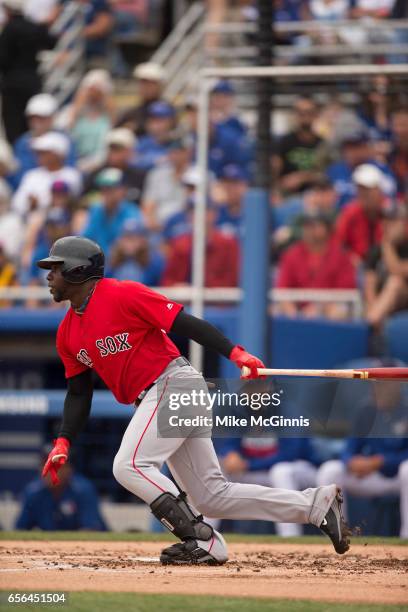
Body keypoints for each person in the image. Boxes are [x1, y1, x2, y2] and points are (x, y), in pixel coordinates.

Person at [38, 235, 350, 564]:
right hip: (157, 397)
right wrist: (63, 441)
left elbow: (184, 323)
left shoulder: (122, 293)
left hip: (174, 385)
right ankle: (315, 506)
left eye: (55, 268)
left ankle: (202, 540)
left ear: (77, 270)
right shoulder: (67, 333)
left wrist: (236, 353)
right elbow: (78, 392)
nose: (48, 276)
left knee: (129, 465)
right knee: (212, 497)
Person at [316, 380, 408, 539]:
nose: (377, 390)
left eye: (383, 385)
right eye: (376, 385)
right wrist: (352, 462)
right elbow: (349, 448)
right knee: (331, 470)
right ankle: (336, 536)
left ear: (397, 386)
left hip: (398, 477)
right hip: (370, 475)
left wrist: (383, 461)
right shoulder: (366, 411)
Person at [276, 211, 356, 319]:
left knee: (339, 312)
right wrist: (292, 313)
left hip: (329, 309)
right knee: (274, 310)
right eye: (306, 226)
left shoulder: (341, 256)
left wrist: (320, 307)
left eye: (314, 226)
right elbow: (283, 289)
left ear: (327, 229)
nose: (308, 230)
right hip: (298, 310)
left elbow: (345, 293)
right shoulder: (292, 254)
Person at [0, 0, 55, 144]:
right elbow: (51, 42)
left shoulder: (8, 30)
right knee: (33, 122)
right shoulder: (34, 27)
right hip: (32, 81)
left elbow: (3, 59)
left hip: (12, 84)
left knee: (14, 125)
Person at [15, 446, 106, 530]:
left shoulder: (83, 490)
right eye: (45, 464)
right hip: (49, 545)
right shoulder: (33, 492)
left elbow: (90, 529)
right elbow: (21, 529)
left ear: (69, 469)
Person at [161, 203, 240, 288]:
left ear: (214, 214)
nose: (199, 215)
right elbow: (167, 281)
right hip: (185, 299)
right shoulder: (180, 245)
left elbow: (232, 281)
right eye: (193, 211)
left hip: (218, 299)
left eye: (205, 210)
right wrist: (178, 287)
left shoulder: (228, 244)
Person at [12, 94, 77, 188]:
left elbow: (70, 168)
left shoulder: (65, 139)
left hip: (60, 189)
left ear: (52, 117)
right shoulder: (22, 142)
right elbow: (20, 174)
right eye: (33, 118)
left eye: (42, 118)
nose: (36, 122)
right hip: (30, 189)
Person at [12, 132, 82, 218]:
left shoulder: (72, 174)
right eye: (38, 152)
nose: (39, 156)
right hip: (31, 220)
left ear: (58, 154)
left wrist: (38, 203)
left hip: (63, 223)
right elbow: (17, 203)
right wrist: (30, 205)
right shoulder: (31, 175)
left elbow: (64, 202)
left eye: (44, 152)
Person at [334, 163, 391, 262]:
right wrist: (351, 257)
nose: (364, 193)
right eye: (360, 188)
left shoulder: (391, 211)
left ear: (379, 189)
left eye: (368, 188)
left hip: (386, 262)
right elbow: (337, 243)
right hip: (358, 265)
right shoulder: (350, 213)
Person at [364, 207, 408, 329]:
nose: (388, 225)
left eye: (394, 221)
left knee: (395, 282)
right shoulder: (375, 252)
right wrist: (373, 307)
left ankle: (368, 324)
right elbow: (369, 285)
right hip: (381, 305)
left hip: (403, 301)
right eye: (386, 221)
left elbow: (398, 271)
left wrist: (387, 244)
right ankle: (372, 322)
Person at [81, 167, 141, 255]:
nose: (106, 192)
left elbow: (130, 248)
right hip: (98, 261)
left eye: (110, 188)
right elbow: (86, 238)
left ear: (123, 189)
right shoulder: (96, 210)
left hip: (120, 263)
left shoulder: (132, 213)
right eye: (103, 188)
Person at [273, 96, 323, 195]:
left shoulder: (322, 144)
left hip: (317, 196)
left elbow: (326, 174)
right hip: (288, 196)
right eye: (301, 113)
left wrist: (302, 177)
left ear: (316, 114)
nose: (305, 117)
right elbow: (274, 171)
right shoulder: (284, 142)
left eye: (309, 112)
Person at [83, 128, 146, 205]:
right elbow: (84, 199)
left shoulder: (139, 176)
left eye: (118, 149)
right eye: (111, 148)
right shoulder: (97, 174)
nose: (113, 153)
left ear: (130, 151)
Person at [108, 218, 165, 285]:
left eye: (134, 238)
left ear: (142, 240)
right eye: (126, 238)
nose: (129, 243)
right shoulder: (112, 262)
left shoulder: (154, 261)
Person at [116, 62, 165, 137]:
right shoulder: (131, 114)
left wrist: (137, 128)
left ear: (159, 85)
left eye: (150, 83)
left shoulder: (167, 111)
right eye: (143, 83)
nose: (146, 87)